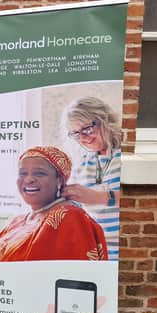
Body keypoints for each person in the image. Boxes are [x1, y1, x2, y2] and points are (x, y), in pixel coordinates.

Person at [0, 146, 108, 262]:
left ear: (59, 180)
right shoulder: (16, 222)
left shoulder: (70, 217)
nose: (28, 179)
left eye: (39, 173)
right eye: (22, 173)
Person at [61, 97, 121, 260]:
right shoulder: (82, 164)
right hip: (96, 255)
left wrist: (101, 197)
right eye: (75, 133)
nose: (83, 138)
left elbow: (139, 199)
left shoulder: (126, 153)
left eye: (87, 129)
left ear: (105, 120)